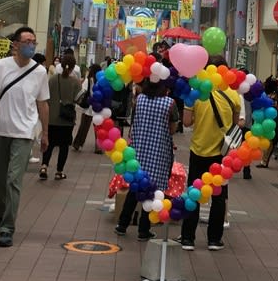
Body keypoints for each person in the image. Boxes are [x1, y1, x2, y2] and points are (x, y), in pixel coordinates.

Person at [0, 26, 49, 248]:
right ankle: (3, 213)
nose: (31, 45)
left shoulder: (39, 72)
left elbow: (43, 104)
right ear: (15, 44)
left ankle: (7, 227)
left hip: (24, 132)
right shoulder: (1, 67)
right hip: (1, 130)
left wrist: (45, 133)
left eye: (34, 42)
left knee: (14, 180)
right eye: (27, 41)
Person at [177, 56, 240, 251]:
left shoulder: (195, 93)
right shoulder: (233, 94)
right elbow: (235, 125)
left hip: (199, 150)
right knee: (219, 196)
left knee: (194, 193)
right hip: (223, 153)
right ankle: (214, 239)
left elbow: (186, 122)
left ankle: (188, 238)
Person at [114, 78, 179, 241]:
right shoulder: (170, 103)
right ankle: (143, 229)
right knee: (153, 191)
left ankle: (122, 224)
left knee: (135, 188)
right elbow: (172, 129)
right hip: (159, 152)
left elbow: (134, 121)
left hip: (139, 150)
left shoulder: (140, 99)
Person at [41, 49, 81, 180]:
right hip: (66, 119)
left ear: (61, 65)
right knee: (64, 146)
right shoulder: (75, 82)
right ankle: (59, 171)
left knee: (50, 143)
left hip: (51, 118)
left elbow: (45, 98)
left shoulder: (52, 80)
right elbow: (79, 99)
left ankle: (44, 166)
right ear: (73, 66)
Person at [72, 62, 100, 153]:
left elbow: (83, 90)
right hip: (98, 106)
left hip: (88, 106)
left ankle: (77, 143)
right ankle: (98, 147)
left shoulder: (88, 80)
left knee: (84, 126)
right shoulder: (101, 80)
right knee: (98, 127)